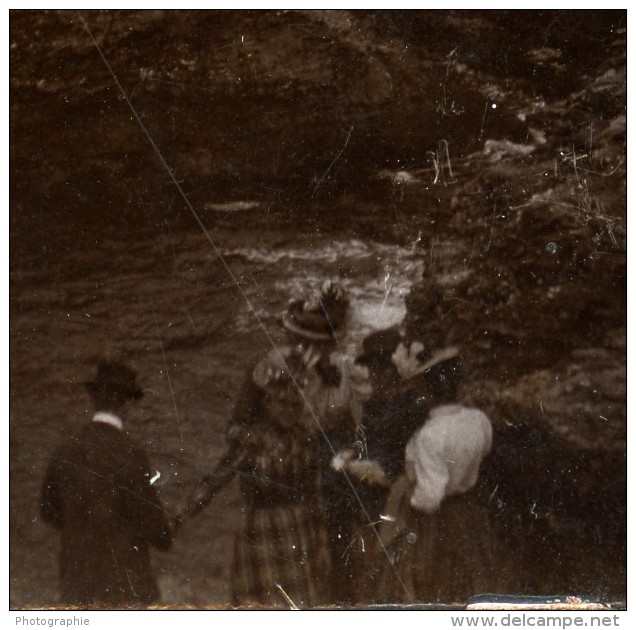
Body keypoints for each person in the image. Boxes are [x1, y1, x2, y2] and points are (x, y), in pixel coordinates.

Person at [180, 281, 358, 608]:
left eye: (319, 342)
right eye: (308, 341)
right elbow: (241, 424)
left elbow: (345, 428)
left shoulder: (332, 373)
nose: (312, 348)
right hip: (287, 480)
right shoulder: (282, 367)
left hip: (302, 481)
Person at [40, 361, 174, 609]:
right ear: (127, 406)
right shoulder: (131, 454)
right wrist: (167, 531)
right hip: (124, 586)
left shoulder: (65, 449)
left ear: (94, 400)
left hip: (76, 583)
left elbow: (47, 511)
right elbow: (155, 528)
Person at [376, 346, 496, 605]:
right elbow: (484, 451)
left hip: (439, 522)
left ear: (428, 392)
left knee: (434, 582)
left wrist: (408, 495)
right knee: (472, 578)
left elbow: (430, 497)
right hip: (470, 512)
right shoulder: (478, 419)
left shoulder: (431, 435)